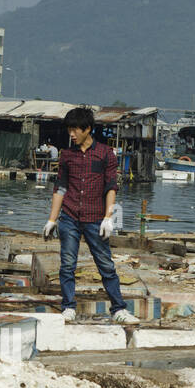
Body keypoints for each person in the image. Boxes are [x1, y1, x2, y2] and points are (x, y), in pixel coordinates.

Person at [42, 107, 138, 324]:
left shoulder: (105, 154)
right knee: (67, 265)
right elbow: (61, 188)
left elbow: (111, 186)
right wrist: (51, 219)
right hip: (69, 218)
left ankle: (118, 309)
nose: (71, 134)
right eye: (69, 130)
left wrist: (108, 217)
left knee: (105, 265)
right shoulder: (67, 156)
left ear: (87, 129)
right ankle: (68, 307)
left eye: (75, 130)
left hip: (96, 219)